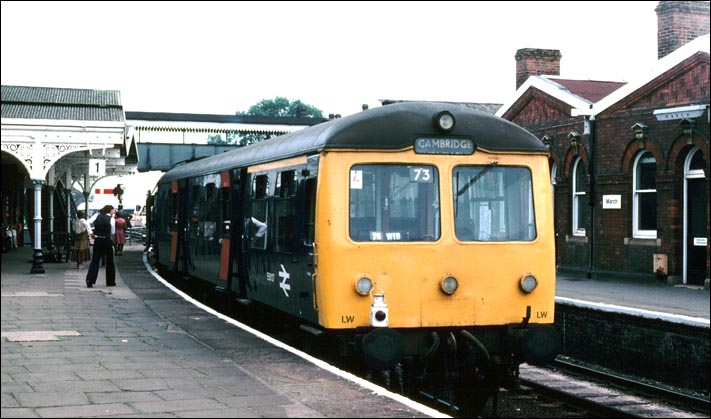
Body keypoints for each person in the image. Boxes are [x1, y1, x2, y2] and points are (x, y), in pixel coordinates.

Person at [85, 205, 116, 288]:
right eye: (113, 210)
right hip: (107, 240)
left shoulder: (96, 216)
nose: (114, 212)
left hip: (97, 240)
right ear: (110, 211)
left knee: (95, 260)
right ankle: (110, 281)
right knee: (109, 261)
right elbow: (113, 232)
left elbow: (87, 222)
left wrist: (91, 233)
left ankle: (90, 280)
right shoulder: (112, 219)